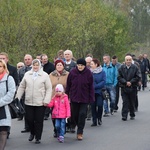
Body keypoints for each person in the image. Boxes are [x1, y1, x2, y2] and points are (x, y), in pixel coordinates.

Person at [16, 59, 52, 144]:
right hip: (28, 101)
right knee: (29, 119)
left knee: (39, 120)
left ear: (40, 66)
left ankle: (38, 137)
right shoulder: (27, 74)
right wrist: (17, 98)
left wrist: (46, 100)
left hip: (40, 102)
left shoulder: (44, 75)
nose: (35, 67)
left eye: (37, 65)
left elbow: (49, 89)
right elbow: (22, 87)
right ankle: (32, 132)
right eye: (34, 65)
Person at [66, 58, 95, 140]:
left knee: (82, 114)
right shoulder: (72, 72)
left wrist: (91, 98)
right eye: (78, 65)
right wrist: (66, 96)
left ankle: (80, 132)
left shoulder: (88, 73)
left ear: (84, 66)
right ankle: (77, 125)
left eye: (82, 65)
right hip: (74, 98)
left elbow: (91, 87)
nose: (80, 67)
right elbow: (68, 85)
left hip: (84, 98)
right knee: (74, 115)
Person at [49, 59, 69, 137]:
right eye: (58, 65)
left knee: (63, 114)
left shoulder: (67, 74)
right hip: (53, 97)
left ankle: (63, 128)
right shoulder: (51, 75)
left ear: (63, 66)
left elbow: (69, 86)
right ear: (55, 66)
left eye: (61, 65)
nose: (59, 66)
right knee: (54, 114)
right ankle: (56, 129)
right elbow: (48, 86)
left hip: (64, 98)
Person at [118, 55, 141, 121]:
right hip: (124, 87)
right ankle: (124, 116)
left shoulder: (135, 67)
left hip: (133, 87)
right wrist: (125, 82)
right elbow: (119, 77)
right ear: (125, 61)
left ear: (131, 60)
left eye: (129, 60)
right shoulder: (121, 68)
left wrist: (131, 82)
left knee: (132, 101)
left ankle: (132, 113)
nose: (128, 61)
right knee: (125, 102)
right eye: (127, 60)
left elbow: (138, 76)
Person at [0, 59, 16, 150]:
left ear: (4, 67)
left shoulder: (8, 79)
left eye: (0, 66)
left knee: (3, 131)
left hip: (4, 108)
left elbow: (10, 94)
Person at [18, 54, 33, 133]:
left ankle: (33, 127)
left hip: (33, 93)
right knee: (25, 111)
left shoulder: (35, 69)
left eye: (28, 59)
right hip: (24, 94)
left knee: (32, 112)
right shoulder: (21, 70)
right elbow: (19, 81)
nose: (27, 61)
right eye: (26, 59)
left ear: (32, 59)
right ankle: (27, 127)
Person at [90, 58, 106, 126]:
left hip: (99, 91)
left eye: (92, 64)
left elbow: (103, 81)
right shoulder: (89, 72)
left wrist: (96, 86)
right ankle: (94, 120)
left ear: (96, 64)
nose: (90, 65)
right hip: (91, 92)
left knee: (100, 105)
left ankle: (99, 118)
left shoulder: (102, 72)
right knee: (92, 107)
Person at [40, 54, 55, 120]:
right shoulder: (39, 66)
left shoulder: (51, 66)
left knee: (48, 98)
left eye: (46, 59)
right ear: (41, 60)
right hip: (40, 84)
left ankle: (46, 114)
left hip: (49, 83)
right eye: (44, 59)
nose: (45, 60)